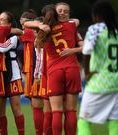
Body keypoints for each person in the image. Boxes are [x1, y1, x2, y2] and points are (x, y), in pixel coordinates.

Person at [25, 4, 83, 135]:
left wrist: (40, 25)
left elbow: (25, 23)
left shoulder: (46, 29)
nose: (63, 13)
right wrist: (72, 50)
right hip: (72, 68)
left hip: (54, 71)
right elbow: (83, 43)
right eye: (61, 11)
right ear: (55, 13)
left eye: (65, 11)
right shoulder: (72, 25)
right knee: (71, 110)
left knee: (56, 110)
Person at [78, 1, 118, 135]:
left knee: (83, 120)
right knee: (114, 121)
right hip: (116, 83)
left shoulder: (95, 29)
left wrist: (87, 73)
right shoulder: (116, 31)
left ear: (97, 15)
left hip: (99, 82)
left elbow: (86, 50)